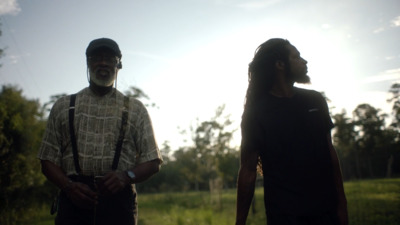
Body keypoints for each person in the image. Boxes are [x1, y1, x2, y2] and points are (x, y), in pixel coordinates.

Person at [38, 37, 162, 225]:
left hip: (119, 205)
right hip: (73, 203)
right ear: (88, 63)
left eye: (109, 58)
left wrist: (125, 176)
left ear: (118, 65)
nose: (103, 62)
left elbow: (153, 162)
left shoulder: (135, 109)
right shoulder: (64, 106)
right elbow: (47, 160)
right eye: (96, 57)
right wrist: (69, 187)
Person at [235, 38, 348, 225]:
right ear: (280, 64)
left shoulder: (315, 101)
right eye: (296, 57)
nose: (304, 61)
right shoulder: (256, 113)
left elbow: (330, 154)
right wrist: (240, 222)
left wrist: (342, 205)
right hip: (285, 216)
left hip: (326, 213)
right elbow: (247, 171)